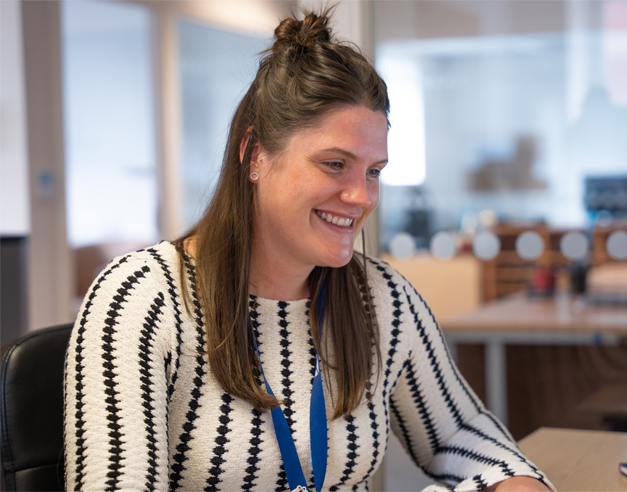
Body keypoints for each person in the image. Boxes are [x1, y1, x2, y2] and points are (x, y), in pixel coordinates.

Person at [63, 9, 553, 492]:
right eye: (335, 164)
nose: (362, 196)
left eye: (373, 171)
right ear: (254, 154)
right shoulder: (141, 298)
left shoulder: (379, 298)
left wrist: (515, 479)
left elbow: (458, 430)